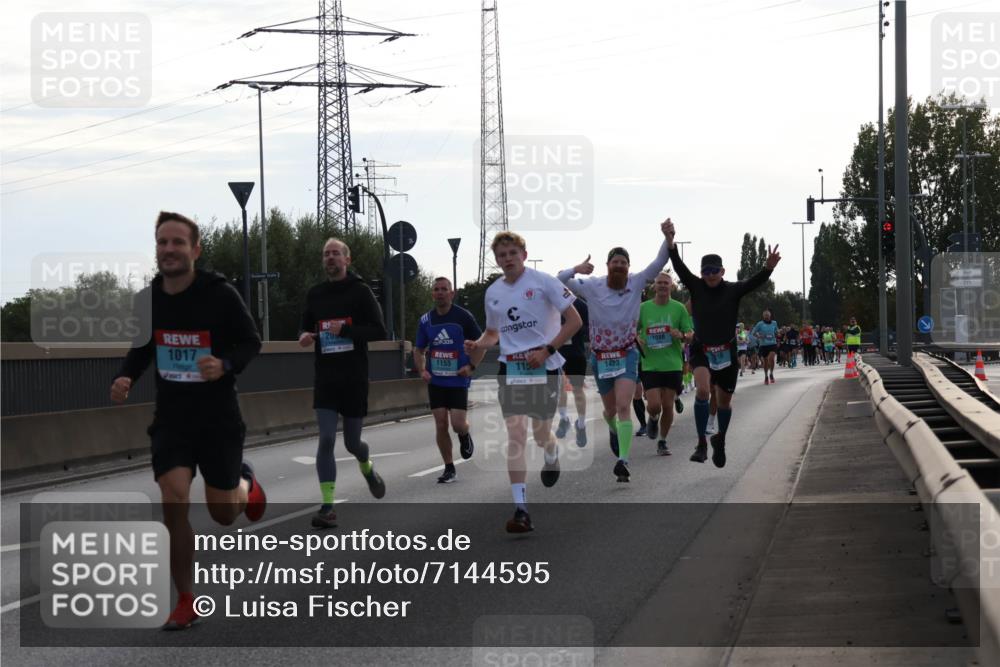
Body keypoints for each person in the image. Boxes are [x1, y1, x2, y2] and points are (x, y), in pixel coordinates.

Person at [111, 211, 266, 631]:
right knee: (174, 501)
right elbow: (142, 348)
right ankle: (184, 599)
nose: (169, 250)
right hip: (172, 420)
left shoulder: (219, 294)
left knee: (223, 514)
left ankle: (246, 484)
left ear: (195, 250)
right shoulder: (150, 300)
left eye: (178, 242)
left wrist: (226, 363)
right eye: (162, 242)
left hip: (217, 418)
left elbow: (252, 341)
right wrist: (126, 374)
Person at [465, 231, 581, 533]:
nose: (507, 260)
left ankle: (551, 452)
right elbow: (493, 334)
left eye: (512, 254)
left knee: (542, 434)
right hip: (511, 369)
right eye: (501, 256)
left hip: (544, 367)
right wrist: (476, 346)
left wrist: (547, 350)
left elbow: (575, 321)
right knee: (516, 436)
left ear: (524, 255)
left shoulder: (544, 282)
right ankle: (520, 509)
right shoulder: (493, 293)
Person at [558, 219, 672, 482]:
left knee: (623, 406)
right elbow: (559, 280)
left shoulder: (637, 282)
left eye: (623, 262)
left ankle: (623, 461)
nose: (619, 266)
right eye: (615, 262)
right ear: (608, 265)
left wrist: (668, 239)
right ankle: (614, 430)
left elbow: (658, 262)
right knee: (610, 412)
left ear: (628, 267)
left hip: (627, 354)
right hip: (600, 357)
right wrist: (577, 267)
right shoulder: (593, 285)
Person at [667, 221, 780, 467]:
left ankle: (721, 439)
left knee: (724, 402)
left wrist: (768, 269)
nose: (709, 276)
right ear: (701, 273)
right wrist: (670, 239)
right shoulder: (696, 287)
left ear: (722, 271)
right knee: (704, 392)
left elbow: (753, 283)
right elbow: (678, 265)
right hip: (702, 350)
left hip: (727, 352)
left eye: (714, 271)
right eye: (705, 271)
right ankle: (701, 443)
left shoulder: (732, 290)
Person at [299, 238, 388, 530]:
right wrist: (305, 336)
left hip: (353, 378)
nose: (330, 258)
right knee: (326, 439)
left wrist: (347, 330)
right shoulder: (315, 294)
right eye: (326, 254)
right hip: (325, 378)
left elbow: (379, 331)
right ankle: (328, 507)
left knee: (352, 443)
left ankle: (367, 466)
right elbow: (306, 326)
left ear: (347, 260)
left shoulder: (360, 292)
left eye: (336, 254)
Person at [413, 277, 486, 483]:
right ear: (432, 294)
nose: (440, 293)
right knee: (440, 423)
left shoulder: (463, 317)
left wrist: (471, 366)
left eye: (444, 289)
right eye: (436, 289)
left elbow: (481, 344)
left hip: (457, 379)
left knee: (457, 424)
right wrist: (422, 370)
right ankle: (449, 467)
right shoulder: (426, 320)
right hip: (436, 381)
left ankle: (464, 434)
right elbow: (418, 349)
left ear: (452, 293)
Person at [637, 271, 693, 455]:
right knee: (654, 405)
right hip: (650, 364)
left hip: (672, 364)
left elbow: (690, 334)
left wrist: (682, 335)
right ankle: (653, 418)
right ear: (654, 286)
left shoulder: (679, 309)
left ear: (671, 287)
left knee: (668, 405)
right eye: (659, 283)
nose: (662, 285)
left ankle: (662, 441)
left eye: (665, 283)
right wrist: (638, 337)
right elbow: (632, 329)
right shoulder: (643, 308)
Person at [555, 298, 590, 447]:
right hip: (556, 353)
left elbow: (589, 326)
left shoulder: (580, 304)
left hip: (576, 353)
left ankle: (581, 425)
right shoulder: (551, 302)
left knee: (577, 390)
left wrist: (571, 328)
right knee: (559, 387)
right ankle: (564, 419)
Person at [751, 310, 779, 384]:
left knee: (771, 358)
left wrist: (778, 333)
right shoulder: (760, 324)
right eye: (765, 315)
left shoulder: (774, 323)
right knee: (765, 362)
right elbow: (753, 333)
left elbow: (776, 331)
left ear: (770, 316)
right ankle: (766, 376)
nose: (767, 317)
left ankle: (771, 373)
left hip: (772, 344)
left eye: (768, 315)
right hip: (763, 345)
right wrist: (759, 336)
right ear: (763, 316)